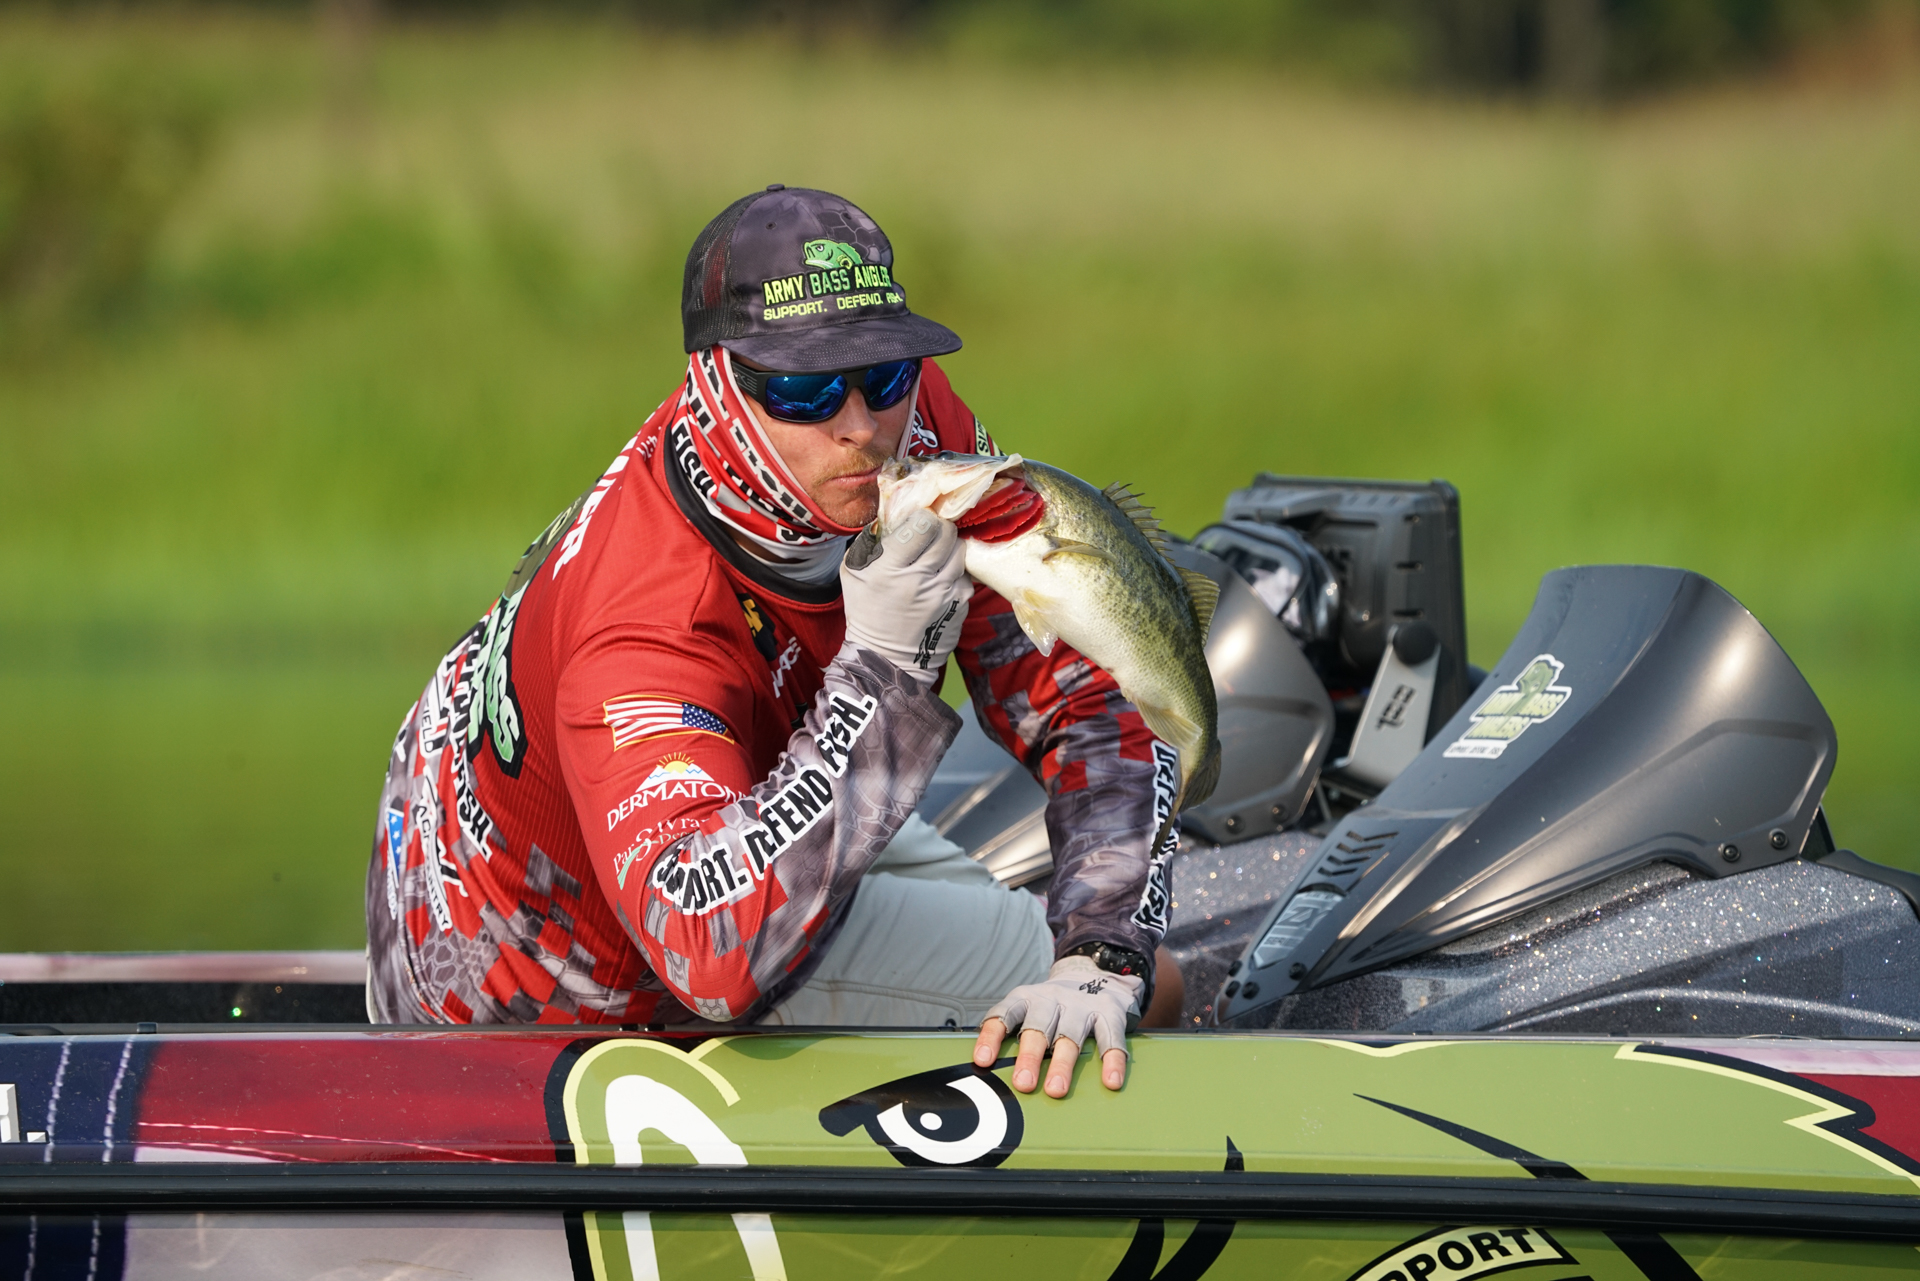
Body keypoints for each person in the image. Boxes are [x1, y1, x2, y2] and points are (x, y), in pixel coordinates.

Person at [365, 185, 1183, 1099]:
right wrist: (887, 673)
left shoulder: (910, 425)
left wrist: (1100, 953)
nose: (860, 426)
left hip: (742, 793)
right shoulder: (644, 619)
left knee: (1112, 968)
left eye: (884, 371)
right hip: (553, 984)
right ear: (715, 381)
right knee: (1163, 999)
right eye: (802, 386)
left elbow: (1089, 686)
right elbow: (711, 956)